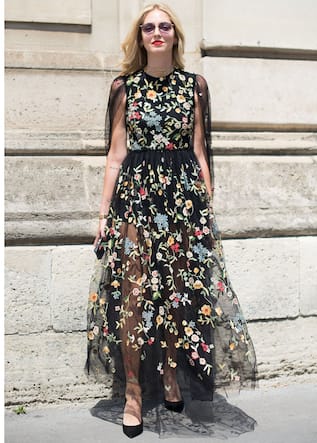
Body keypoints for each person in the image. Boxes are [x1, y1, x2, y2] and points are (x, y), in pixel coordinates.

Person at [86, 3, 257, 439]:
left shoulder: (195, 86)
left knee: (177, 294)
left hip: (183, 203)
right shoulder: (124, 87)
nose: (157, 32)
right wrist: (103, 216)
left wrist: (208, 207)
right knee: (133, 297)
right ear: (140, 36)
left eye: (164, 26)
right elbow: (115, 155)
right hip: (136, 199)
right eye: (149, 27)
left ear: (175, 35)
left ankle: (168, 376)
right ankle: (131, 393)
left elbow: (200, 151)